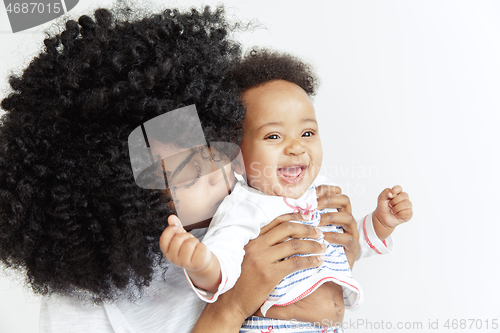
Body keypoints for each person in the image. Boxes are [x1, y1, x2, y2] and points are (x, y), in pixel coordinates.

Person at [0, 5, 363, 332]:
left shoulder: (245, 216)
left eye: (214, 145)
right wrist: (231, 307)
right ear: (118, 192)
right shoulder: (86, 300)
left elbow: (326, 310)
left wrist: (338, 254)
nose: (220, 170)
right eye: (186, 171)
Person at [161, 50, 413, 332]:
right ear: (238, 157)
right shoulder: (244, 207)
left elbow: (350, 246)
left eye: (307, 133)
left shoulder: (322, 192)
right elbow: (224, 264)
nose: (296, 147)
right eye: (274, 136)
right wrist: (201, 264)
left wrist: (379, 222)